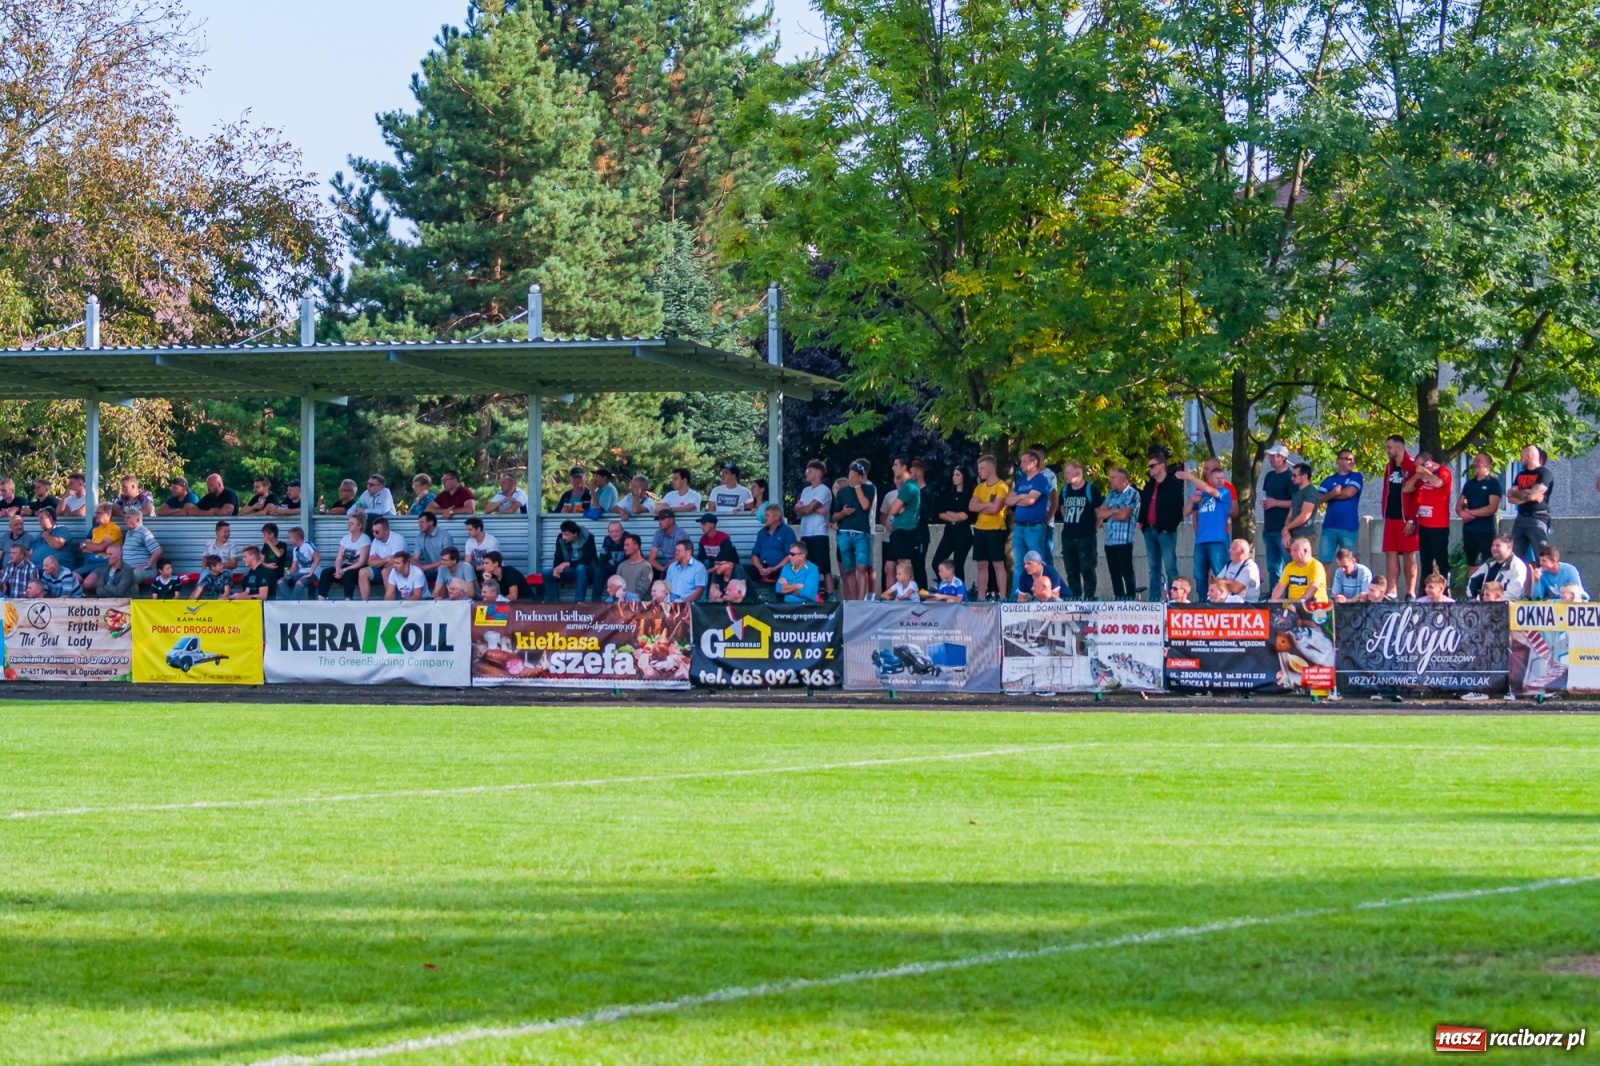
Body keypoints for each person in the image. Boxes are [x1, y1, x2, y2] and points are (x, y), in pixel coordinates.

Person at [1138, 448, 1183, 602]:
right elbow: (1144, 504)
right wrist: (1142, 522)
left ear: (1162, 466)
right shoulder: (1149, 485)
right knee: (1153, 568)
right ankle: (1154, 598)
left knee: (1170, 567)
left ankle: (1173, 598)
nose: (1149, 469)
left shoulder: (1172, 484)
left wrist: (1167, 528)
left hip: (1165, 532)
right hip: (1149, 530)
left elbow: (1178, 510)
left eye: (1152, 466)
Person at [1179, 462, 1231, 593]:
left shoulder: (1225, 492)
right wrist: (1191, 501)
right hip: (1201, 540)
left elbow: (1211, 491)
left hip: (1218, 540)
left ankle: (1222, 602)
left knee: (1220, 573)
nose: (1221, 481)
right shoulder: (1202, 495)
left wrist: (1190, 478)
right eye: (1217, 478)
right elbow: (1185, 513)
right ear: (1210, 479)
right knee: (1200, 575)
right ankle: (1202, 601)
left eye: (1222, 478)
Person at [1007, 450, 1052, 599]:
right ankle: (1017, 596)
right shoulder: (1021, 482)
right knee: (1019, 565)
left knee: (1036, 563)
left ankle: (1039, 595)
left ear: (1034, 463)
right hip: (1019, 527)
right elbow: (1008, 501)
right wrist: (1022, 497)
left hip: (1034, 527)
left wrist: (1019, 498)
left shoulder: (1041, 480)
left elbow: (1030, 501)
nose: (1021, 464)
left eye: (1024, 461)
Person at [1380, 435, 1419, 600]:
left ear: (1398, 448)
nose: (1387, 451)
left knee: (1409, 554)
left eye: (1389, 448)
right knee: (1390, 553)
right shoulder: (1389, 467)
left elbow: (1419, 495)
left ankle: (1410, 592)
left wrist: (1412, 519)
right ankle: (1392, 592)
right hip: (1391, 517)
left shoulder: (1412, 465)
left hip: (1407, 519)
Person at [1405, 451, 1453, 586]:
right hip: (1424, 525)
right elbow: (1407, 489)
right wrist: (1416, 476)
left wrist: (1425, 472)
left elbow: (1438, 483)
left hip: (1439, 526)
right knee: (1426, 563)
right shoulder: (1421, 477)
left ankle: (1445, 589)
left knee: (1441, 561)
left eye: (1420, 466)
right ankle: (1425, 591)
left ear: (1428, 463)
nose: (1418, 469)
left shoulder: (1443, 471)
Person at [832, 459, 878, 601]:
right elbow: (834, 515)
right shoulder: (842, 492)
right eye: (850, 474)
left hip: (861, 533)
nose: (851, 477)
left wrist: (858, 486)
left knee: (862, 567)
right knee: (848, 569)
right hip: (844, 532)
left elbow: (865, 506)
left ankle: (861, 600)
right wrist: (843, 513)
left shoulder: (869, 488)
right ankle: (853, 600)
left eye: (854, 474)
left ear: (861, 476)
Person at [1057, 460, 1102, 600]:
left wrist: (1092, 529)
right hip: (1068, 536)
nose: (1066, 476)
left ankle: (1089, 597)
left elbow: (1098, 513)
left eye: (1068, 473)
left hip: (1085, 536)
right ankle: (1075, 597)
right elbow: (1062, 507)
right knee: (1071, 570)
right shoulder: (1065, 490)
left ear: (1077, 473)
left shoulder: (1090, 490)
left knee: (1087, 569)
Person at [968, 455, 1009, 601]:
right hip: (980, 529)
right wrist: (987, 505)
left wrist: (982, 506)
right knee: (981, 563)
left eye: (982, 468)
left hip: (996, 529)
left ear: (991, 468)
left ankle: (1002, 596)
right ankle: (980, 597)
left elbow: (995, 509)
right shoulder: (979, 488)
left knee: (997, 563)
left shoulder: (1002, 486)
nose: (979, 471)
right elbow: (971, 506)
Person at [930, 465, 973, 597]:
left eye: (958, 475)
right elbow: (941, 513)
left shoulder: (969, 494)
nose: (955, 477)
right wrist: (955, 516)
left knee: (958, 564)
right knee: (936, 561)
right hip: (949, 532)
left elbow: (965, 516)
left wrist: (951, 514)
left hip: (963, 534)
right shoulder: (949, 493)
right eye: (954, 475)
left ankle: (960, 593)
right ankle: (945, 586)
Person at [1455, 452, 1502, 570]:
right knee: (1471, 562)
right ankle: (1472, 587)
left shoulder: (1493, 483)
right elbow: (1459, 506)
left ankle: (1488, 587)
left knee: (1488, 562)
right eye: (1474, 461)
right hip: (1469, 530)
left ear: (1487, 464)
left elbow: (1492, 508)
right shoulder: (1469, 484)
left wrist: (1471, 513)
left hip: (1485, 531)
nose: (1475, 463)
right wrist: (1462, 513)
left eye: (1478, 461)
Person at [795, 459, 835, 598]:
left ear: (818, 473)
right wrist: (807, 509)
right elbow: (798, 511)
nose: (807, 473)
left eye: (810, 470)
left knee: (824, 567)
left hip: (819, 533)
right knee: (807, 565)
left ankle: (830, 594)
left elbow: (809, 508)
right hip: (805, 532)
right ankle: (809, 593)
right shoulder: (805, 490)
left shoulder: (824, 490)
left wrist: (806, 508)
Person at [1316, 450, 1364, 564]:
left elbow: (1349, 493)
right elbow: (1317, 499)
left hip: (1349, 527)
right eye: (1348, 459)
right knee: (1324, 562)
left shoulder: (1356, 477)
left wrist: (1329, 496)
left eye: (1353, 459)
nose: (1352, 462)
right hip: (1329, 527)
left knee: (1348, 563)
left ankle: (1347, 582)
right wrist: (1332, 493)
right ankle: (1325, 583)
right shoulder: (1329, 480)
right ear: (1339, 461)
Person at [1508, 445, 1554, 563]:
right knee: (1515, 557)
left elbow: (1532, 494)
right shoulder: (1520, 475)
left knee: (1542, 555)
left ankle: (1544, 580)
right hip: (1521, 517)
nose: (1520, 460)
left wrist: (1522, 494)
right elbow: (1510, 497)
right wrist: (1529, 496)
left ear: (1529, 457)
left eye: (1522, 457)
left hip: (1538, 517)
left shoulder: (1545, 473)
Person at [1258, 443, 1295, 591]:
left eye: (1272, 456)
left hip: (1283, 529)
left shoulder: (1290, 477)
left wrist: (1275, 503)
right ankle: (1275, 595)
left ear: (1281, 457)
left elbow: (1295, 502)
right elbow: (1269, 497)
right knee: (1273, 567)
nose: (1270, 458)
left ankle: (1290, 595)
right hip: (1269, 528)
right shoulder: (1269, 476)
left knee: (1289, 564)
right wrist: (1268, 503)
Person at [883, 457, 923, 594]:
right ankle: (891, 598)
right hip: (897, 530)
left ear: (904, 467)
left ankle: (907, 597)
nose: (893, 468)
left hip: (906, 530)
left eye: (896, 465)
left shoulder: (909, 486)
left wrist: (896, 509)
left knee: (904, 565)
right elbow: (894, 509)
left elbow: (893, 510)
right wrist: (896, 508)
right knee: (889, 567)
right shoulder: (905, 488)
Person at [1099, 466, 1139, 601]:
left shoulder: (1132, 493)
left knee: (1126, 571)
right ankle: (1119, 597)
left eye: (1113, 477)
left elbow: (1124, 515)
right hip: (1110, 540)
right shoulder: (1111, 494)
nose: (1110, 480)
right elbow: (1100, 513)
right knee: (1114, 572)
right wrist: (1115, 511)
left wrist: (1111, 512)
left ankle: (1130, 597)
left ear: (1123, 479)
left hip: (1124, 539)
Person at [750, 503, 798, 600]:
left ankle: (775, 604)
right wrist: (760, 568)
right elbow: (754, 554)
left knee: (785, 571)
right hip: (762, 568)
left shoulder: (787, 532)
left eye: (767, 515)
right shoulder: (761, 532)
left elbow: (790, 555)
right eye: (765, 515)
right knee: (743, 570)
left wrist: (774, 568)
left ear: (776, 517)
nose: (765, 518)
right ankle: (751, 602)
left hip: (779, 568)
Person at [543, 519, 599, 601]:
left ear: (575, 534)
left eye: (567, 535)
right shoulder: (561, 539)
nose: (563, 537)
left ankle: (578, 602)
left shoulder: (588, 537)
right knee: (546, 572)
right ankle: (554, 603)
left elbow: (587, 560)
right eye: (562, 534)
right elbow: (557, 557)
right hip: (570, 570)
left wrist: (567, 564)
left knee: (581, 568)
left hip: (589, 570)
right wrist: (556, 569)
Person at [318, 515, 371, 600]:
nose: (349, 525)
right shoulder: (345, 538)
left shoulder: (365, 539)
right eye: (348, 523)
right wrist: (338, 569)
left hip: (358, 568)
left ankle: (347, 600)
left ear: (359, 525)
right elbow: (339, 558)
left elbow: (362, 561)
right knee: (326, 572)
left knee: (348, 574)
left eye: (352, 523)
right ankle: (321, 599)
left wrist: (344, 570)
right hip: (345, 567)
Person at [1467, 536, 1531, 601]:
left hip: (1508, 607)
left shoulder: (1518, 566)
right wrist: (1473, 598)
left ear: (1509, 548)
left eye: (1498, 546)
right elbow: (1473, 580)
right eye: (1493, 545)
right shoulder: (1489, 563)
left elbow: (1514, 594)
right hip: (1485, 606)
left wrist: (1496, 601)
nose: (1494, 548)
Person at [1281, 463, 1321, 567]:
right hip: (1293, 535)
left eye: (1294, 475)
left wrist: (1286, 528)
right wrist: (1286, 531)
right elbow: (1291, 514)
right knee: (1291, 567)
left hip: (1305, 535)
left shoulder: (1310, 492)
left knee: (1303, 566)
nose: (1292, 478)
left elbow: (1305, 516)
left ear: (1304, 476)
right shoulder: (1297, 493)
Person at [697, 514, 743, 599]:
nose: (701, 527)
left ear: (712, 525)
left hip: (730, 571)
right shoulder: (703, 539)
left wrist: (706, 572)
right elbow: (700, 558)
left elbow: (727, 561)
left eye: (703, 524)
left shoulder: (724, 538)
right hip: (714, 570)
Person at [1271, 537, 1328, 603]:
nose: (1291, 553)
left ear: (1305, 551)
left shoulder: (1316, 566)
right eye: (1291, 550)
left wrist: (1301, 603)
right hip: (1293, 604)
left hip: (1314, 605)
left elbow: (1313, 586)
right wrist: (1273, 601)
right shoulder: (1290, 566)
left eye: (1295, 550)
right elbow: (1280, 586)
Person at [362, 516, 406, 600]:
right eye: (373, 531)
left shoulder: (398, 539)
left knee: (385, 571)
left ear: (386, 531)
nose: (374, 534)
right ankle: (365, 603)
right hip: (382, 568)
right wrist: (386, 559)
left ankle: (390, 602)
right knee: (363, 572)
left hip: (400, 570)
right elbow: (370, 562)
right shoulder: (375, 540)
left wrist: (379, 561)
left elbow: (395, 562)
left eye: (377, 532)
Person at [118, 511, 163, 582]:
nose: (125, 520)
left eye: (128, 517)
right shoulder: (128, 533)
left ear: (138, 520)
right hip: (130, 569)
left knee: (131, 576)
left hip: (146, 571)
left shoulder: (143, 532)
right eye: (125, 518)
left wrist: (147, 566)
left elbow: (158, 551)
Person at [413, 511, 454, 587]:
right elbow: (415, 558)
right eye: (419, 522)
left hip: (444, 569)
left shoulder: (445, 536)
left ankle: (441, 597)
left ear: (431, 522)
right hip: (428, 570)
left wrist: (424, 567)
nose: (419, 525)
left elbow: (447, 559)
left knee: (441, 568)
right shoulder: (420, 537)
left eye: (422, 522)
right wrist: (414, 564)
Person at [649, 510, 693, 577]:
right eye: (659, 519)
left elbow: (680, 556)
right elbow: (651, 558)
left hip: (681, 563)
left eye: (663, 519)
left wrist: (666, 569)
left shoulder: (680, 534)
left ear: (671, 520)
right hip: (666, 564)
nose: (660, 522)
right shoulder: (658, 533)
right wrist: (663, 569)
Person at [284, 527, 321, 601]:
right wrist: (287, 573)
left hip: (313, 572)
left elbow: (317, 558)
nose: (289, 540)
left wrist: (310, 573)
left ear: (295, 538)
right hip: (301, 572)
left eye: (290, 537)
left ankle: (292, 605)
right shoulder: (295, 549)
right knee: (281, 581)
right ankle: (290, 602)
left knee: (299, 583)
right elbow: (294, 567)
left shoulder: (308, 545)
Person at [615, 534, 654, 602]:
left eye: (627, 545)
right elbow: (616, 587)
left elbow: (642, 591)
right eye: (624, 545)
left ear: (636, 546)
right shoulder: (621, 566)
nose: (624, 548)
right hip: (622, 604)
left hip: (639, 606)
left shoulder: (646, 567)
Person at [597, 519, 629, 588]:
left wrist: (612, 562)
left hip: (626, 569)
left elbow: (631, 559)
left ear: (622, 531)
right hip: (613, 569)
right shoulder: (607, 540)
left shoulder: (629, 539)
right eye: (611, 532)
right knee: (599, 571)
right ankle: (596, 598)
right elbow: (602, 560)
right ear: (608, 533)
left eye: (617, 531)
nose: (614, 534)